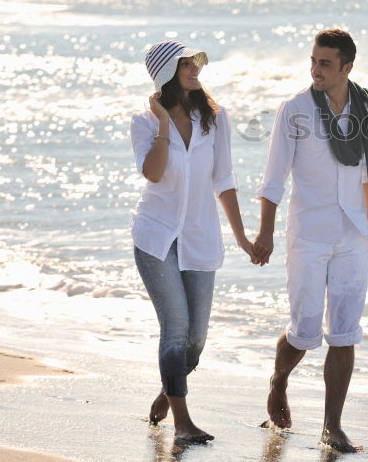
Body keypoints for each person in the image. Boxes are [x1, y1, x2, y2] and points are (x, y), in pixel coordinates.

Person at [252, 28, 368, 453]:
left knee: (345, 332)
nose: (316, 69)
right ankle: (279, 380)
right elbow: (273, 177)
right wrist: (265, 233)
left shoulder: (366, 110)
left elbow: (367, 174)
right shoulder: (294, 109)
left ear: (346, 67)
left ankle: (332, 426)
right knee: (305, 331)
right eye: (313, 61)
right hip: (309, 236)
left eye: (325, 63)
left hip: (352, 235)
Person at [130, 39, 258, 444]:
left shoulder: (216, 119)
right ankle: (183, 424)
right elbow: (152, 173)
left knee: (196, 341)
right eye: (186, 64)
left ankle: (170, 392)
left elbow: (224, 179)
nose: (196, 68)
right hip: (156, 237)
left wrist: (242, 237)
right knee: (175, 328)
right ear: (167, 72)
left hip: (200, 238)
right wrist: (164, 123)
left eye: (197, 62)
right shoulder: (144, 121)